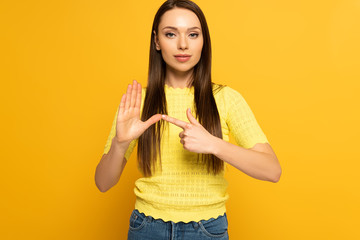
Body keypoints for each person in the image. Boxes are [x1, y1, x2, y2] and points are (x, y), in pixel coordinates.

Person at [95, 0, 281, 239]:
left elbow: (272, 170)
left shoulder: (225, 99)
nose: (183, 44)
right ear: (156, 41)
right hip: (146, 228)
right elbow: (103, 183)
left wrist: (214, 144)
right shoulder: (136, 102)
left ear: (203, 41)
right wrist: (119, 144)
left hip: (207, 230)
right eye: (170, 34)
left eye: (193, 34)